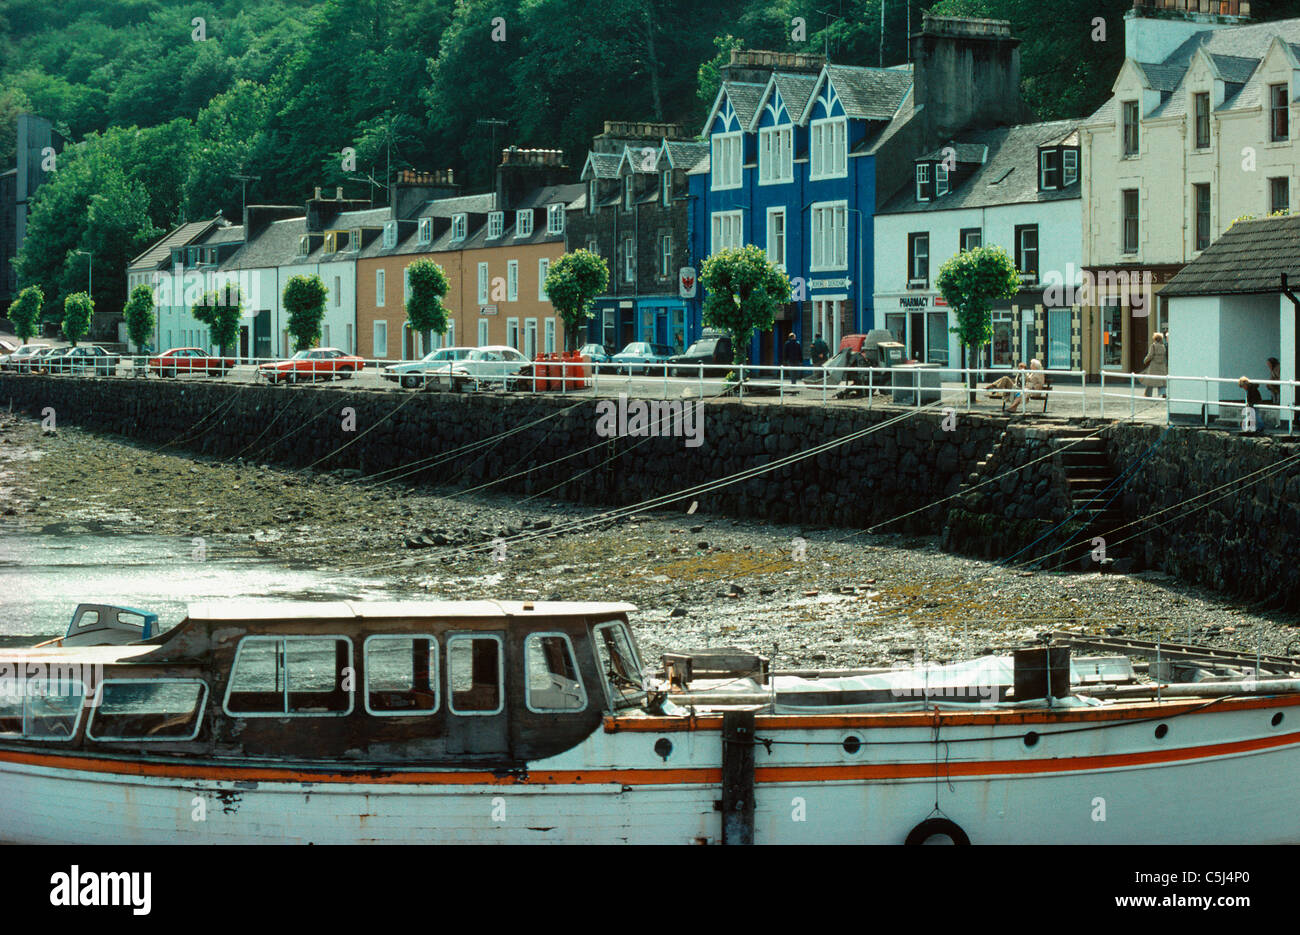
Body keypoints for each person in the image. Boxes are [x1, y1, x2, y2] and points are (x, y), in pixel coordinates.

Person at [1141, 331, 1167, 398]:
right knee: (1161, 381)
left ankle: (1148, 394)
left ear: (1154, 339)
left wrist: (1145, 360)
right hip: (1161, 366)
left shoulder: (1153, 346)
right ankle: (1163, 393)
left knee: (1150, 380)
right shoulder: (1163, 346)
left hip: (1154, 366)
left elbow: (1150, 355)